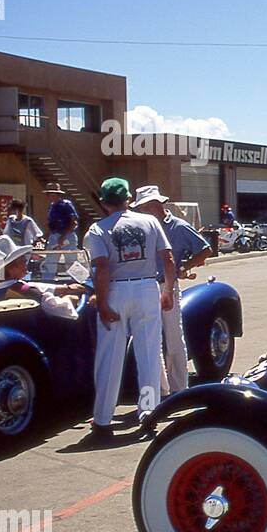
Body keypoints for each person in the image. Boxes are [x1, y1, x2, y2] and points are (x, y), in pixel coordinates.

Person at [84, 177, 175, 443]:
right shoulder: (150, 222)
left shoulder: (98, 229)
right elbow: (168, 258)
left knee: (109, 358)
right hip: (147, 286)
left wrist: (102, 303)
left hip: (116, 289)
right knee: (148, 355)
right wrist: (168, 291)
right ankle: (148, 412)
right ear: (128, 200)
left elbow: (102, 267)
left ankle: (103, 420)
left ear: (104, 203)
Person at [132, 185, 212, 398]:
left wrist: (184, 266)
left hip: (167, 284)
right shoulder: (140, 227)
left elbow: (205, 249)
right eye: (140, 208)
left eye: (145, 207)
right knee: (151, 339)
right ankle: (160, 388)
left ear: (156, 205)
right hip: (145, 285)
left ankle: (179, 388)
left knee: (174, 336)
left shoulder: (178, 226)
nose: (142, 211)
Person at [0, 235, 83, 319]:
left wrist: (65, 288)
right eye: (23, 261)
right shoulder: (21, 291)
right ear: (10, 268)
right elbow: (61, 309)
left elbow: (29, 285)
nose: (26, 264)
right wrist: (70, 298)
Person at [42, 182, 79, 281]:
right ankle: (48, 281)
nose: (49, 196)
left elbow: (73, 222)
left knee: (71, 262)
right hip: (54, 236)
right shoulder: (51, 206)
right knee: (50, 261)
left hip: (68, 236)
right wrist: (45, 236)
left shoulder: (66, 205)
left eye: (51, 194)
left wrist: (63, 236)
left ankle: (77, 281)